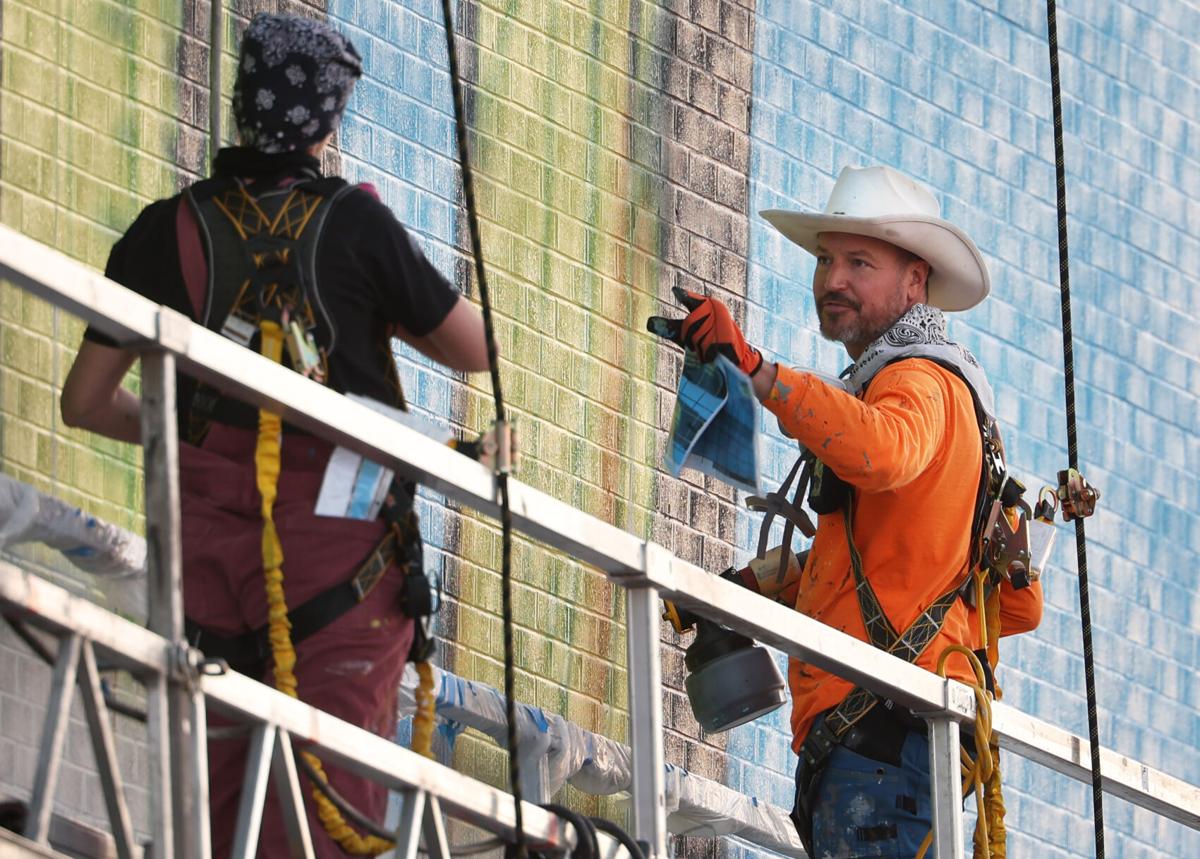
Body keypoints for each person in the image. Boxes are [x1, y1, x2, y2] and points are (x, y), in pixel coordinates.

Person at [61, 13, 489, 856]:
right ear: (328, 121)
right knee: (330, 809)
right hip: (341, 582)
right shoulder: (356, 227)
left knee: (220, 813)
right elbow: (477, 350)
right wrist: (380, 300)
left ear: (240, 105)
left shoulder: (162, 231)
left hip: (207, 569)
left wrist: (188, 433)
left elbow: (84, 401)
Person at [649, 165, 1042, 857]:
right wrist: (747, 591)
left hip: (882, 742)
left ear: (915, 281)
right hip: (894, 745)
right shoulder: (954, 404)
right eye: (827, 258)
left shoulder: (917, 379)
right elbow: (1015, 605)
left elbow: (884, 451)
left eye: (859, 262)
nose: (832, 279)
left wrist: (757, 370)